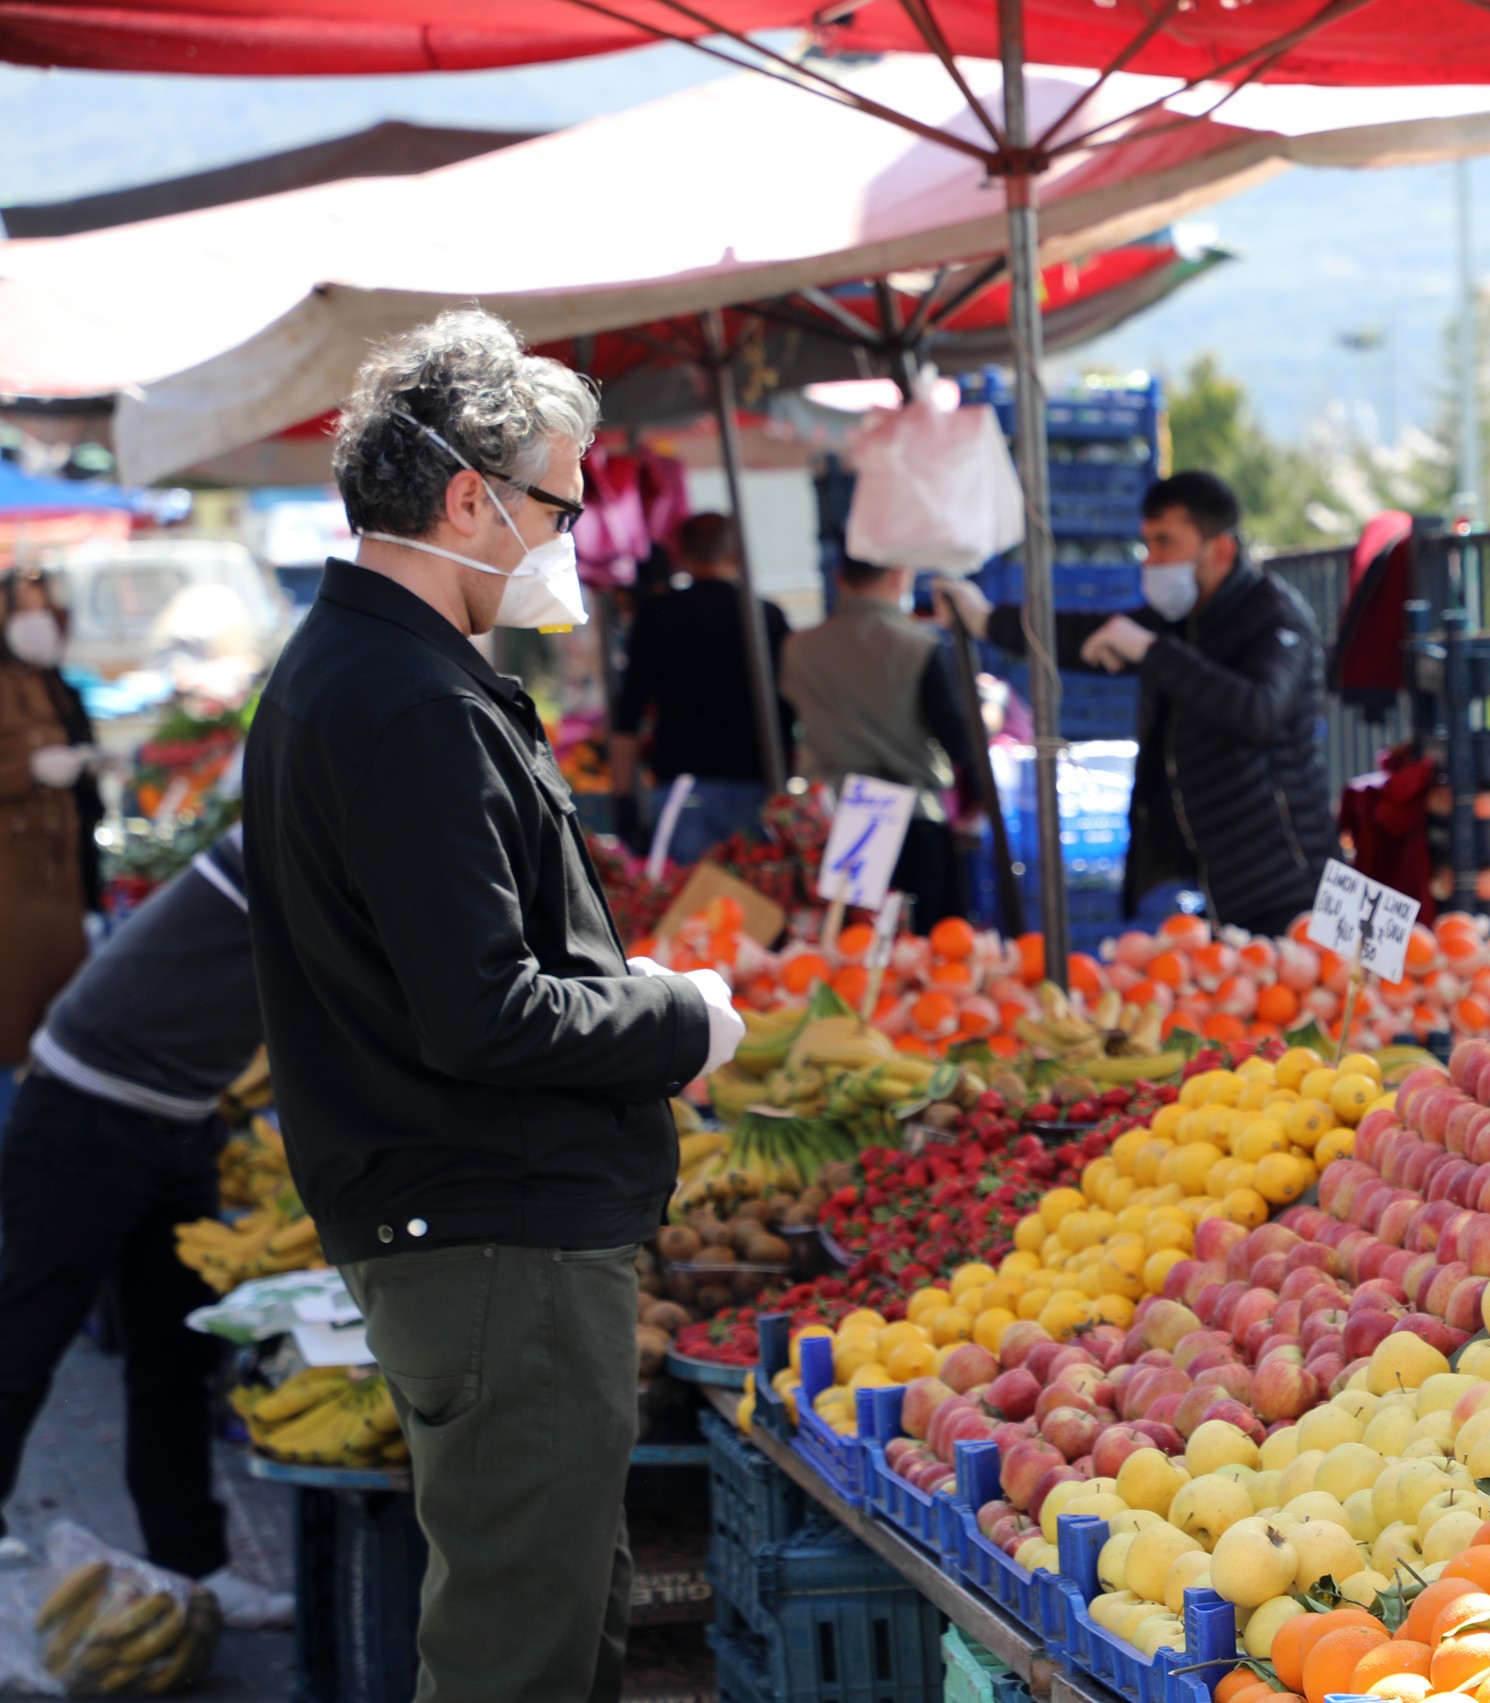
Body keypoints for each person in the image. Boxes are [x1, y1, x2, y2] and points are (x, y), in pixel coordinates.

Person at [242, 308, 745, 1702]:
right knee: (516, 1648)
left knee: (550, 1614)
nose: (570, 536)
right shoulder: (403, 697)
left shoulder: (371, 673)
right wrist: (676, 1019)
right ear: (469, 493)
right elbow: (485, 1012)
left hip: (475, 1222)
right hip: (491, 1230)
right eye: (558, 503)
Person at [0, 826, 293, 1628]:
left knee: (175, 1356)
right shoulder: (288, 835)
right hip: (82, 1111)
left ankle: (193, 1564)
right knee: (23, 1343)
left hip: (180, 1118)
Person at [939, 470, 1330, 937]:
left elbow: (1256, 711)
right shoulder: (1184, 620)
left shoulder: (1276, 621)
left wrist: (1151, 651)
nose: (1152, 560)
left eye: (1166, 543)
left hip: (1294, 885)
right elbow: (1084, 634)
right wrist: (987, 621)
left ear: (1221, 549)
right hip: (1224, 884)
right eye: (1147, 544)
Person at [780, 555, 978, 930]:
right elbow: (956, 735)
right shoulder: (918, 645)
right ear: (900, 576)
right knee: (921, 947)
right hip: (911, 816)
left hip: (835, 817)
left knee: (851, 943)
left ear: (839, 579)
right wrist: (979, 799)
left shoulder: (798, 648)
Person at [607, 511, 793, 863]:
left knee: (688, 908)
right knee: (759, 905)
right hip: (759, 782)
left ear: (681, 555)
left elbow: (628, 713)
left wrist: (623, 796)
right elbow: (790, 709)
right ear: (736, 554)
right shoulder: (765, 615)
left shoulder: (657, 614)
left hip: (682, 785)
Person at [0, 569, 92, 1127]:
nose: (34, 621)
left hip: (60, 873)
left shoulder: (52, 680)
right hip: (11, 880)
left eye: (42, 608)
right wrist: (28, 769)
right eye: (20, 610)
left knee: (57, 1016)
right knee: (13, 1019)